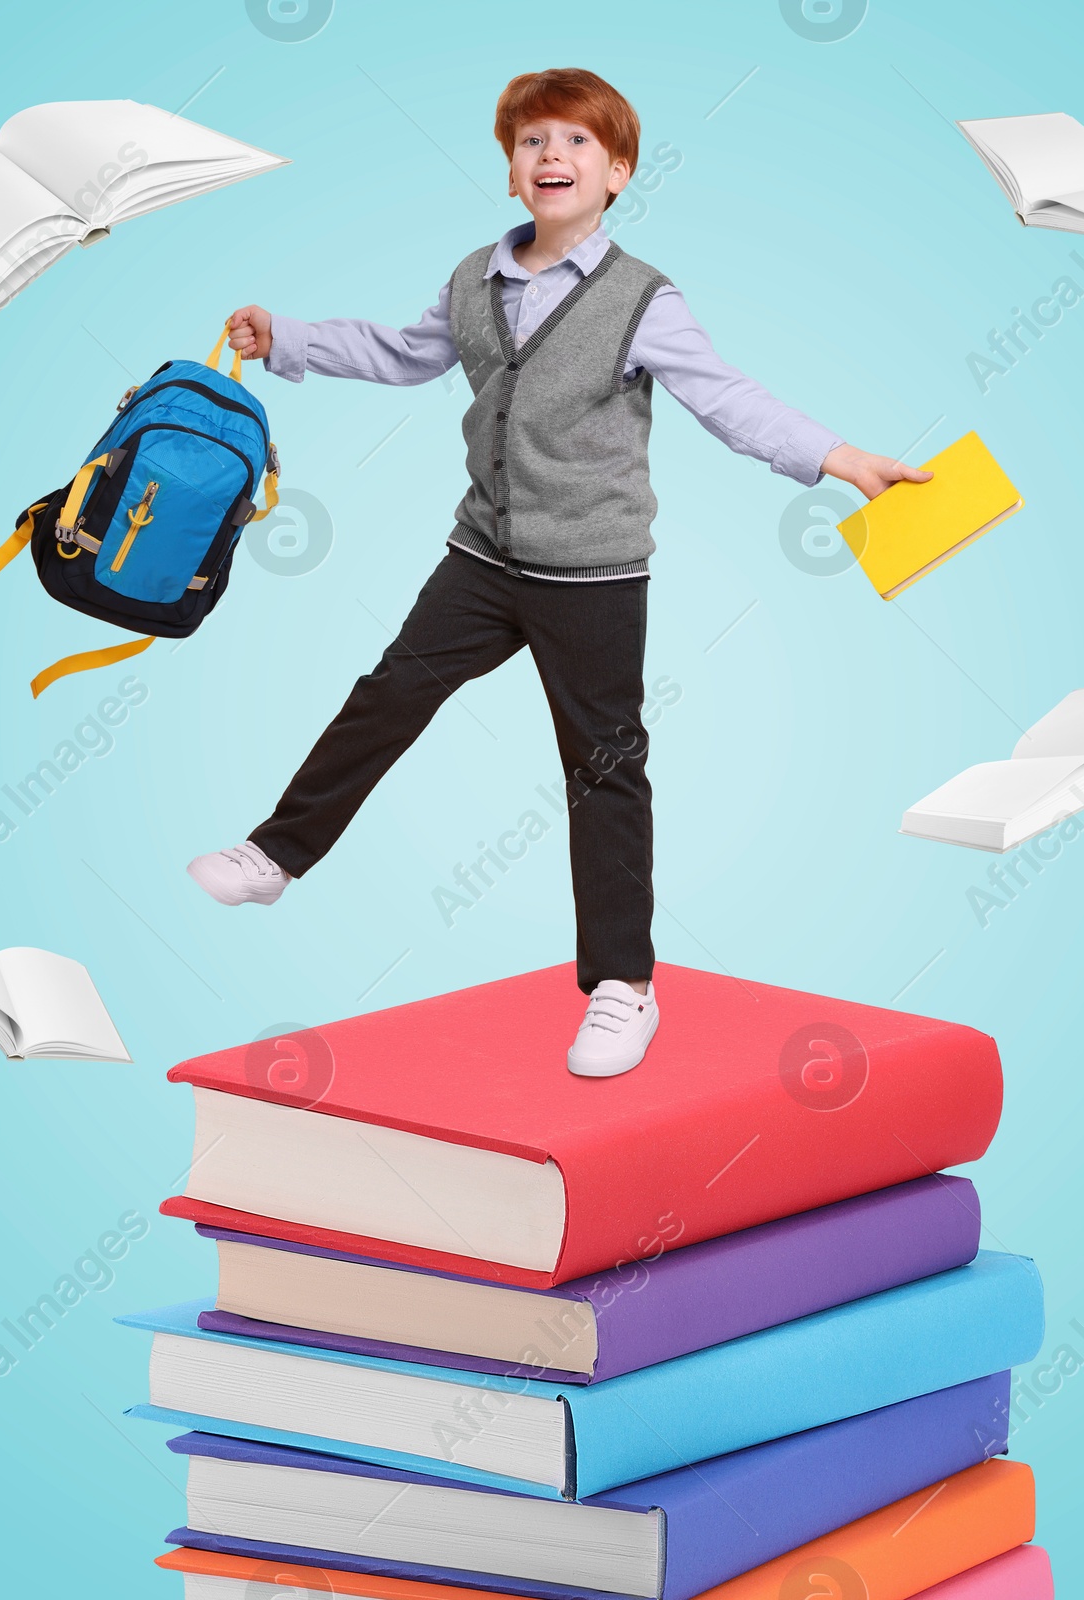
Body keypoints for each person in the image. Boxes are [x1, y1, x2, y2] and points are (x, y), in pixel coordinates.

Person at [188, 67, 929, 1078]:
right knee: (391, 692)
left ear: (616, 172)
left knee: (604, 764)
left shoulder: (642, 300)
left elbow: (729, 399)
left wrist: (836, 458)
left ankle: (622, 985)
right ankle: (277, 855)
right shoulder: (473, 281)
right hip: (483, 555)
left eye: (577, 143)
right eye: (533, 141)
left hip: (592, 574)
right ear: (508, 172)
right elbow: (401, 352)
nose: (552, 156)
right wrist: (292, 341)